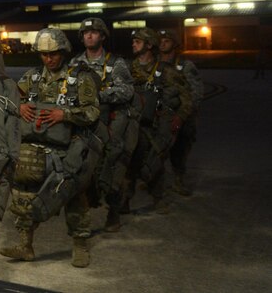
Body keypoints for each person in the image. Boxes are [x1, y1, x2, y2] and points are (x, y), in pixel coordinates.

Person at [1, 28, 100, 268]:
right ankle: (25, 245)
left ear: (63, 52)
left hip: (68, 145)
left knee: (72, 193)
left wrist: (64, 114)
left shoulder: (79, 78)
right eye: (44, 55)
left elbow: (92, 111)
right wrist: (20, 107)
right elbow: (11, 98)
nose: (49, 59)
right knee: (22, 190)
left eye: (53, 54)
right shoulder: (32, 76)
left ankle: (80, 243)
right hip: (35, 144)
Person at [70, 18, 136, 231]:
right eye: (86, 32)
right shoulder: (75, 63)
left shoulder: (115, 63)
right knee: (80, 166)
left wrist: (98, 96)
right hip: (83, 123)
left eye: (94, 32)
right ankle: (83, 215)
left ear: (103, 36)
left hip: (110, 121)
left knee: (112, 165)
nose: (89, 36)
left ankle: (114, 211)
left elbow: (127, 91)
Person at [127, 27, 192, 214]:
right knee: (129, 162)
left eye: (138, 41)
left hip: (156, 123)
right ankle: (122, 202)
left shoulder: (166, 71)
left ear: (149, 45)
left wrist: (179, 118)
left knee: (154, 159)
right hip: (133, 123)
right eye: (134, 41)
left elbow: (186, 97)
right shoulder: (128, 70)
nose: (133, 44)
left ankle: (158, 198)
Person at [159, 29, 203, 196]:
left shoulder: (185, 66)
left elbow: (196, 92)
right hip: (160, 113)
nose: (163, 43)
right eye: (161, 40)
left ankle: (178, 179)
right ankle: (155, 179)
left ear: (175, 44)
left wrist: (184, 114)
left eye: (167, 41)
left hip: (182, 115)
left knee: (180, 148)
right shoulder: (153, 63)